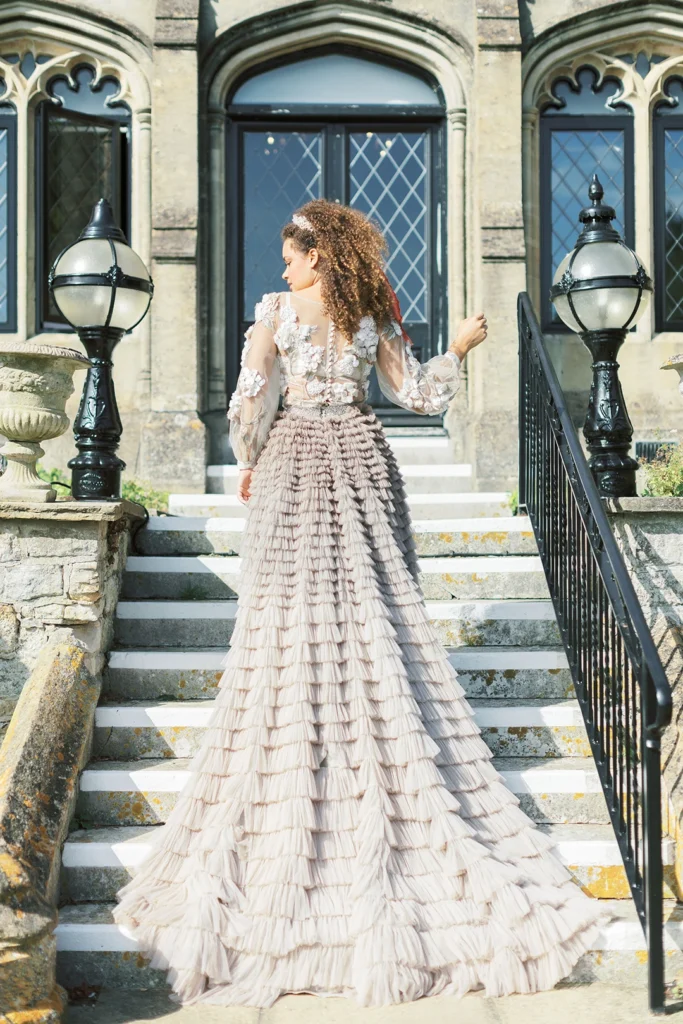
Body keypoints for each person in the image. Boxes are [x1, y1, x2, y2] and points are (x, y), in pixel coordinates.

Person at [113, 199, 611, 1008]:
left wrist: (247, 458)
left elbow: (247, 408)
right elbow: (416, 395)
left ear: (317, 255)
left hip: (295, 467)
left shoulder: (275, 314)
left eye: (290, 254)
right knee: (376, 617)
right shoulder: (374, 308)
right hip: (365, 463)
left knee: (288, 623)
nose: (281, 270)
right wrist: (455, 348)